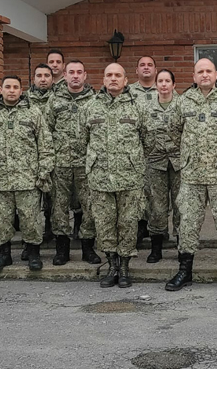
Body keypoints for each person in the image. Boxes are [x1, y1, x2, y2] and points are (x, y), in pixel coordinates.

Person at [166, 58, 217, 291]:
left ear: (216, 75)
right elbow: (172, 132)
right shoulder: (183, 102)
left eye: (208, 71)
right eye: (200, 71)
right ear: (193, 76)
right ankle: (185, 271)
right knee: (188, 224)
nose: (204, 75)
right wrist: (184, 161)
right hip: (192, 177)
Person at [0, 76, 54, 271]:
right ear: (1, 89)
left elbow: (45, 144)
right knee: (2, 220)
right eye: (7, 87)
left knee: (30, 219)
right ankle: (3, 255)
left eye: (15, 87)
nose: (11, 90)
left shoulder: (33, 113)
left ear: (21, 90)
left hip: (28, 179)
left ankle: (33, 254)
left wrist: (43, 171)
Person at [81, 63, 148, 288]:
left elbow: (148, 140)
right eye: (109, 75)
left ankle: (125, 267)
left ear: (126, 80)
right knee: (104, 224)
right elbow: (82, 140)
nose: (113, 79)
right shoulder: (90, 107)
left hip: (130, 177)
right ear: (103, 79)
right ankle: (111, 265)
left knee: (128, 223)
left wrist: (134, 162)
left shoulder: (138, 107)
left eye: (117, 75)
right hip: (100, 177)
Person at [43, 60, 100, 266]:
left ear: (85, 75)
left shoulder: (94, 101)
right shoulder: (54, 100)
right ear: (64, 75)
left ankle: (88, 247)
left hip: (87, 164)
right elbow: (45, 132)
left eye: (79, 72)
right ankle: (62, 249)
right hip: (60, 164)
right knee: (59, 207)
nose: (75, 76)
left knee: (90, 206)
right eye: (71, 72)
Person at [141, 69, 182, 263]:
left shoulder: (182, 105)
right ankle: (156, 247)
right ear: (156, 85)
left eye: (167, 81)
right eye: (160, 81)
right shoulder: (146, 108)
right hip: (155, 163)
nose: (164, 84)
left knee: (181, 205)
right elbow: (140, 135)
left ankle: (183, 247)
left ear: (174, 85)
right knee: (156, 207)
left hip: (179, 163)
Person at [129, 55, 159, 244]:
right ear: (137, 71)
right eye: (142, 65)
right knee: (137, 191)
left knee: (157, 193)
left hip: (160, 152)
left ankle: (158, 229)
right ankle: (140, 226)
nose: (146, 68)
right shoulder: (128, 92)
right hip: (134, 152)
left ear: (155, 70)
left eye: (150, 65)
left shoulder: (165, 88)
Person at [26, 62, 55, 250]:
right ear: (33, 78)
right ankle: (30, 241)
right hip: (28, 159)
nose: (43, 79)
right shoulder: (24, 100)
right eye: (39, 75)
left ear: (53, 78)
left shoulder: (59, 98)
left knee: (54, 198)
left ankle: (51, 229)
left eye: (46, 75)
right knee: (31, 202)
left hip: (54, 155)